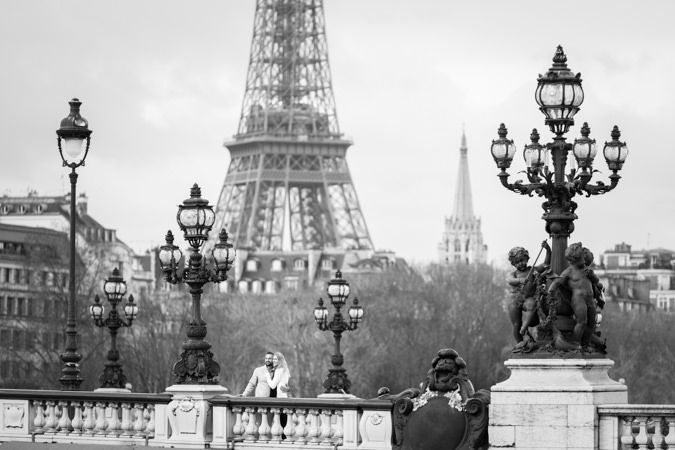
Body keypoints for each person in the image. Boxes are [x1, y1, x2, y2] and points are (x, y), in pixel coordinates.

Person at [548, 242, 596, 348]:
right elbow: (557, 282)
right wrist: (551, 291)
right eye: (582, 259)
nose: (584, 261)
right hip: (579, 300)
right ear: (574, 260)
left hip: (590, 300)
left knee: (591, 323)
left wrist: (592, 276)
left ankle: (586, 343)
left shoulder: (586, 270)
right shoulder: (569, 271)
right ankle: (575, 343)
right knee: (582, 322)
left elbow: (596, 282)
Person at [506, 241, 551, 345]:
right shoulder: (514, 274)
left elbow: (546, 264)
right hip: (515, 299)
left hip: (528, 299)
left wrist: (548, 250)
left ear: (527, 258)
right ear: (513, 264)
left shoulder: (533, 270)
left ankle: (524, 327)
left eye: (522, 260)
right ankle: (519, 343)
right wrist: (520, 280)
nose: (520, 263)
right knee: (516, 324)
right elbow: (509, 280)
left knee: (531, 304)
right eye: (517, 262)